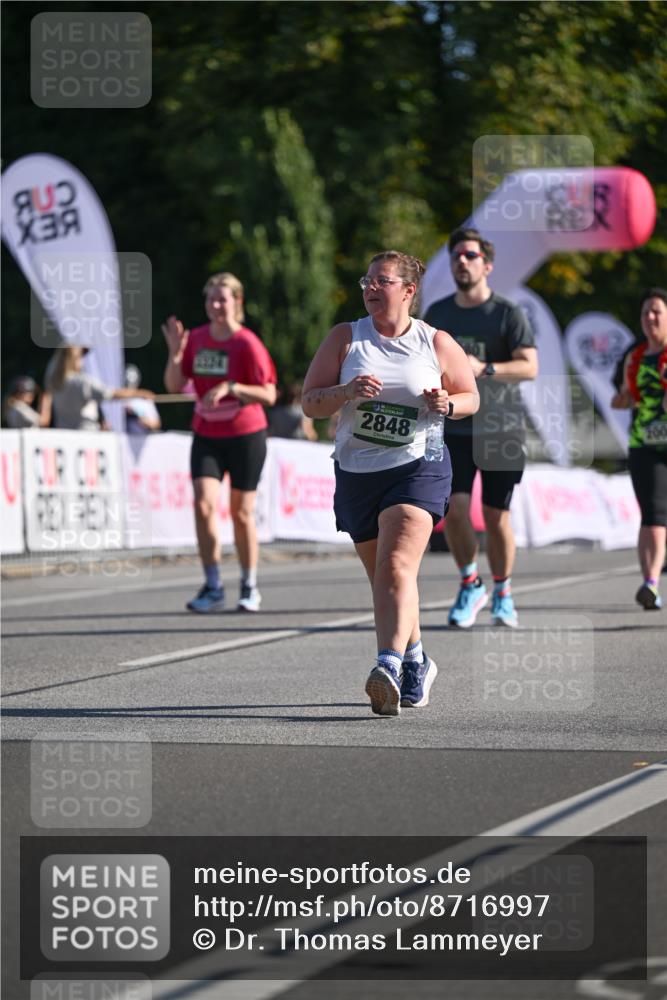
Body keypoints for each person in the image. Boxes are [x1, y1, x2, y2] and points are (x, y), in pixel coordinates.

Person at [302, 250, 479, 717]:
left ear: (408, 291)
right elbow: (310, 402)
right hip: (357, 472)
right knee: (385, 578)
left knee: (396, 566)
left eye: (382, 281)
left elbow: (471, 396)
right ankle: (417, 658)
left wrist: (447, 403)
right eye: (367, 281)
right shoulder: (345, 337)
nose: (371, 289)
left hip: (417, 466)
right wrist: (345, 392)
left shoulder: (435, 342)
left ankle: (388, 666)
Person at [423, 227, 538, 629]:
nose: (462, 261)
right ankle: (471, 583)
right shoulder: (438, 314)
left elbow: (529, 366)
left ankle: (503, 592)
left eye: (470, 255)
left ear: (487, 265)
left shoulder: (507, 313)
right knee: (453, 512)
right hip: (453, 427)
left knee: (495, 515)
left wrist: (483, 368)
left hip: (501, 428)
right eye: (456, 255)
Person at [162, 272, 277, 613]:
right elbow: (174, 385)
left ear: (236, 302)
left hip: (245, 435)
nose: (215, 305)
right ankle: (212, 585)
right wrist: (175, 353)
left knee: (241, 513)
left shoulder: (247, 343)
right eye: (210, 299)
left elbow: (269, 394)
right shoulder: (197, 338)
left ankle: (249, 584)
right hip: (207, 434)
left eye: (222, 299)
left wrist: (232, 387)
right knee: (203, 506)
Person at [611, 287, 667, 610]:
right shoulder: (634, 355)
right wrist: (622, 399)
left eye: (657, 311)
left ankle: (652, 581)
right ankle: (651, 583)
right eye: (646, 312)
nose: (650, 317)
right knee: (652, 513)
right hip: (644, 443)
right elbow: (623, 395)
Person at [42, 345, 154, 430]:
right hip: (86, 434)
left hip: (64, 433)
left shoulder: (53, 381)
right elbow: (111, 394)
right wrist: (139, 394)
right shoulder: (81, 382)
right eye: (81, 356)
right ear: (74, 359)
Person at [124, 364, 162, 435]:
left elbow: (156, 424)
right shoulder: (118, 400)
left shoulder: (145, 400)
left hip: (142, 438)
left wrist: (143, 420)